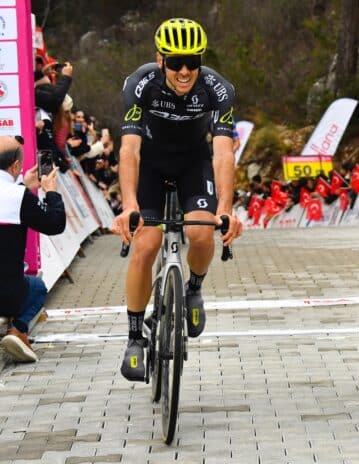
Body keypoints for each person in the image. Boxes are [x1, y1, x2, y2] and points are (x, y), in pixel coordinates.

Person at [112, 18, 243, 381]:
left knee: (202, 233)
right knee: (146, 244)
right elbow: (130, 151)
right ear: (160, 59)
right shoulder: (140, 85)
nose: (184, 71)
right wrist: (128, 206)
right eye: (175, 62)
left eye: (192, 62)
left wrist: (226, 209)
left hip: (192, 164)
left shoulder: (218, 90)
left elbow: (221, 154)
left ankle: (194, 289)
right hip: (150, 165)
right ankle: (135, 337)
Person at [0, 135, 66, 362]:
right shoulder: (18, 197)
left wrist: (22, 185)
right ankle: (18, 330)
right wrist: (51, 192)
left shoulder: (19, 192)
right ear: (16, 165)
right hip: (6, 294)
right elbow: (55, 224)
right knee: (37, 286)